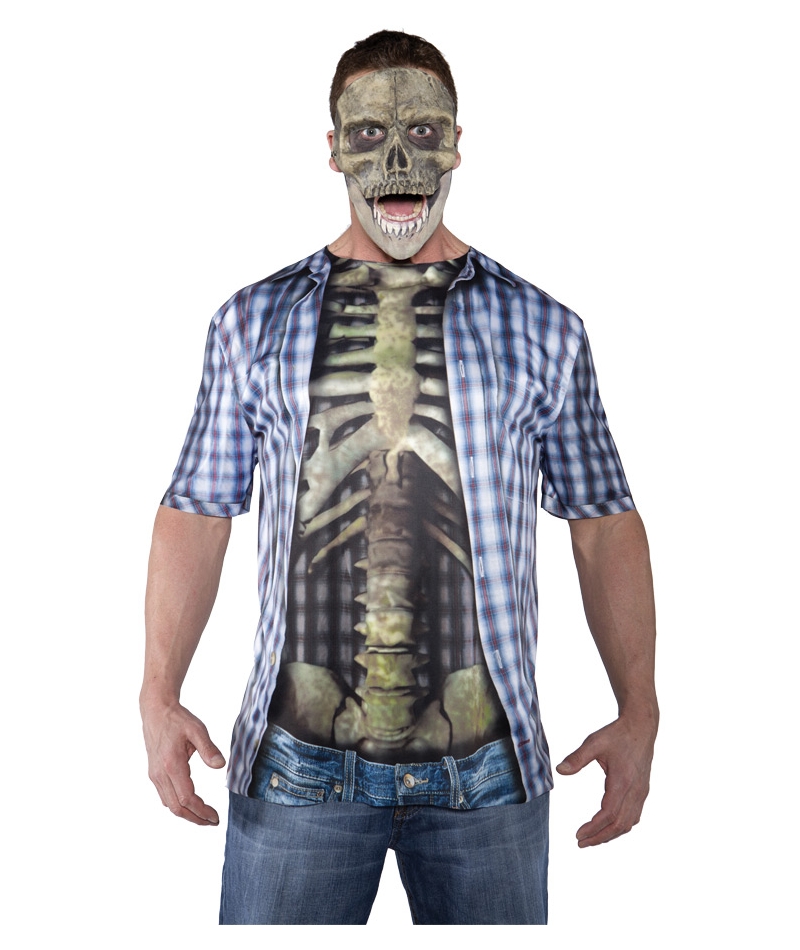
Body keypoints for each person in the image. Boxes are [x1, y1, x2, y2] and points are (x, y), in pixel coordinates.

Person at [141, 30, 658, 926]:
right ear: (333, 149)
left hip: (488, 769)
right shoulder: (252, 322)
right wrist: (157, 693)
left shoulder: (546, 328)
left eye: (422, 133)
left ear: (457, 144)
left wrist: (639, 709)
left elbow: (604, 520)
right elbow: (198, 509)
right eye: (369, 135)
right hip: (295, 767)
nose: (396, 162)